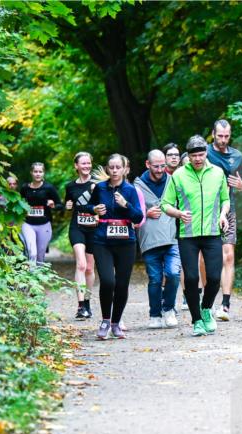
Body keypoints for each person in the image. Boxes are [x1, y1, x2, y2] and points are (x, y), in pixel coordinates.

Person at [160, 135, 230, 337]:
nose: (198, 159)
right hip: (187, 235)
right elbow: (165, 204)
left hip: (212, 232)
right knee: (191, 278)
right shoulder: (179, 175)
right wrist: (178, 213)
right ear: (188, 157)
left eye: (201, 154)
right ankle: (197, 320)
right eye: (194, 156)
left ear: (206, 153)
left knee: (214, 278)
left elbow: (225, 200)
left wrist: (223, 215)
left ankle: (206, 308)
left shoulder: (217, 173)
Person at [89, 153, 143, 340]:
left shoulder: (130, 190)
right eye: (111, 167)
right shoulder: (100, 188)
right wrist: (94, 209)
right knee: (107, 281)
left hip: (126, 242)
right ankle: (105, 320)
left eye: (117, 167)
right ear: (107, 169)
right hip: (102, 241)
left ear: (124, 169)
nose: (114, 171)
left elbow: (138, 217)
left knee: (121, 284)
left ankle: (116, 322)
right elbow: (87, 207)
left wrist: (126, 204)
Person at [134, 150, 181, 328]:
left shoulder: (172, 181)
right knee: (155, 279)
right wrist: (146, 213)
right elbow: (131, 211)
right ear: (148, 164)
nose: (160, 169)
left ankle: (168, 309)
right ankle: (155, 315)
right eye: (156, 166)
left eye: (163, 166)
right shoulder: (137, 186)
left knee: (173, 274)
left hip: (171, 239)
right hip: (149, 240)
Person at [206, 119, 242, 321]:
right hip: (205, 210)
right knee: (203, 258)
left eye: (227, 136)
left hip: (227, 209)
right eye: (220, 136)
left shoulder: (237, 156)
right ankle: (205, 301)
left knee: (228, 255)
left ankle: (225, 304)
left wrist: (241, 185)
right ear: (213, 134)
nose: (223, 140)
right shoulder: (203, 153)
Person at [64, 152, 100, 320]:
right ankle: (80, 307)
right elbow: (68, 204)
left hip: (93, 229)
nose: (86, 166)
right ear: (76, 166)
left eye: (88, 163)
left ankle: (87, 302)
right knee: (81, 265)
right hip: (77, 227)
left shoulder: (98, 184)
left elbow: (104, 204)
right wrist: (67, 205)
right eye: (83, 163)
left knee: (90, 268)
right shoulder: (70, 186)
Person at [18, 163, 61, 265]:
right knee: (32, 253)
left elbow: (60, 205)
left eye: (40, 172)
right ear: (31, 173)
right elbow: (19, 203)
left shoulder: (49, 188)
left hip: (44, 224)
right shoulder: (25, 188)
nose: (38, 174)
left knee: (40, 257)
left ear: (43, 173)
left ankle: (39, 274)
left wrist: (53, 205)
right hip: (28, 224)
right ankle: (31, 274)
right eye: (35, 171)